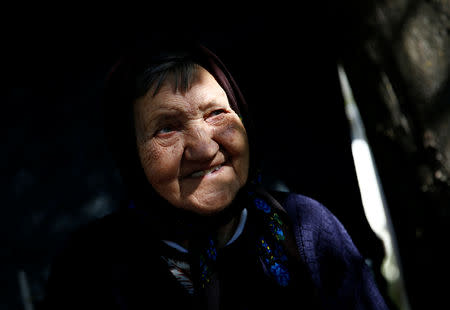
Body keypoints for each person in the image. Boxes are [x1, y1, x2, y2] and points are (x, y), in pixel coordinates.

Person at [42, 39, 390, 310]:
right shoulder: (90, 267)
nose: (205, 148)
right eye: (166, 129)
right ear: (130, 156)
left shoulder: (303, 228)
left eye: (216, 113)